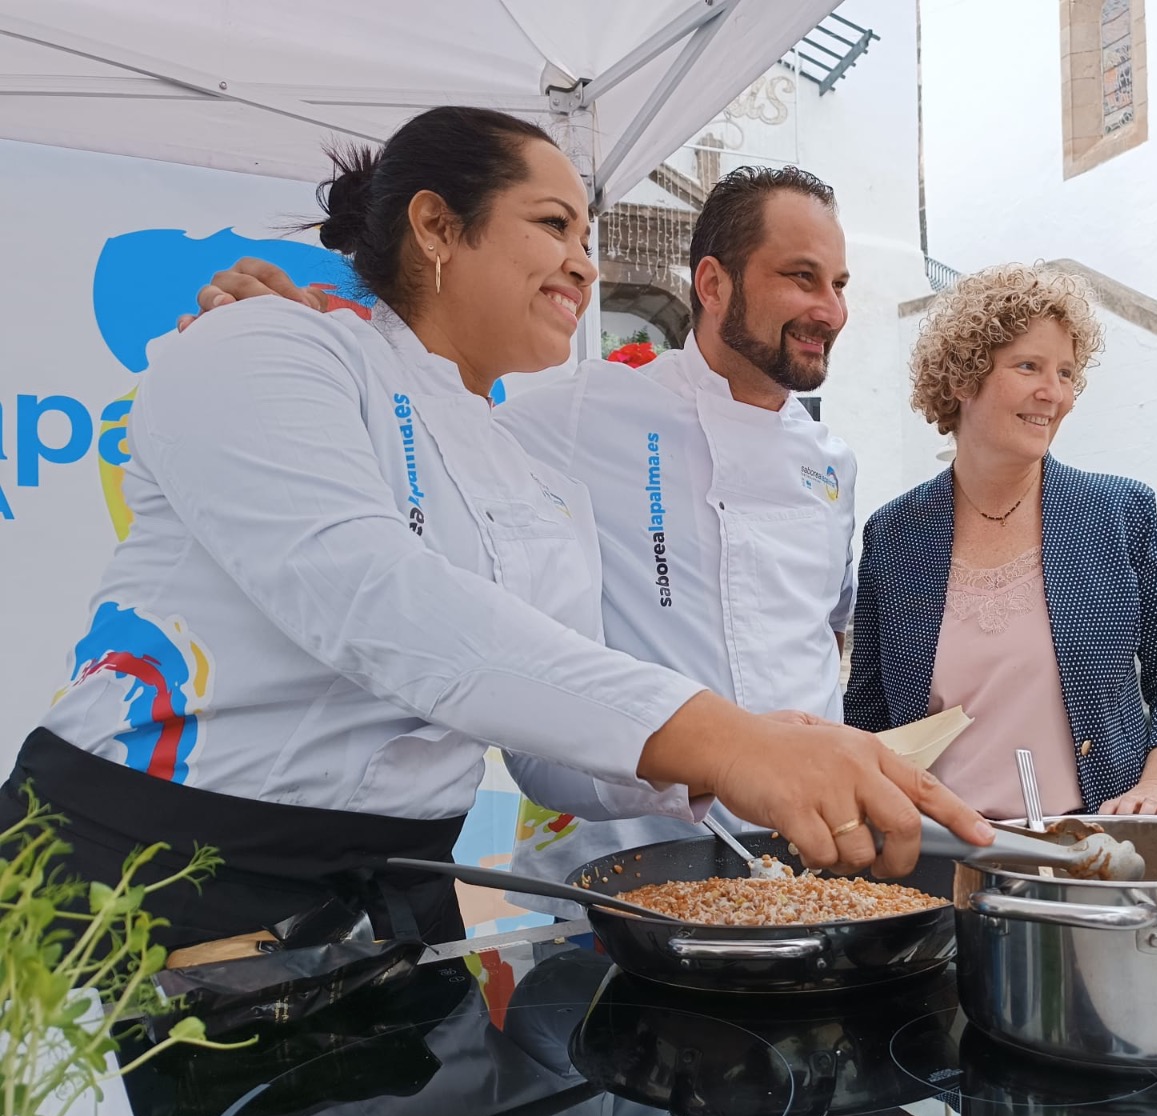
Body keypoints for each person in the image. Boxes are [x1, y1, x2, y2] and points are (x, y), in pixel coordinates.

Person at [0, 107, 990, 949]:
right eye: (553, 224)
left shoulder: (530, 475)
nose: (584, 267)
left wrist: (730, 762)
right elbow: (375, 601)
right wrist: (728, 741)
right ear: (436, 225)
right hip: (153, 864)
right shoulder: (270, 346)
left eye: (587, 237)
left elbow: (543, 745)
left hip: (393, 893)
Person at [192, 166, 878, 910]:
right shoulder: (588, 408)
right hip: (625, 862)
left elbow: (825, 630)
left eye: (839, 285)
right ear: (712, 284)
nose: (830, 310)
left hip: (806, 860)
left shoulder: (831, 461)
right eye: (802, 278)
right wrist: (318, 343)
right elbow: (425, 429)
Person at [844, 264, 1157, 818]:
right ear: (962, 379)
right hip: (939, 854)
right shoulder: (895, 534)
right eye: (1029, 367)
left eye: (1067, 373)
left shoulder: (1119, 513)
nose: (1055, 394)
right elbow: (871, 712)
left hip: (1089, 851)